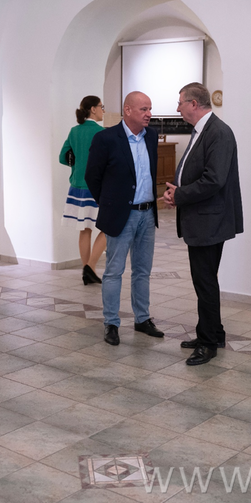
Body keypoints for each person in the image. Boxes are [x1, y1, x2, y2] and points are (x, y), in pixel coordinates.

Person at [163, 82, 243, 365]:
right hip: (203, 218)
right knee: (205, 280)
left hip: (210, 220)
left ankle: (208, 344)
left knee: (205, 282)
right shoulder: (203, 130)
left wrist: (180, 195)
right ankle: (213, 333)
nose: (177, 108)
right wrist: (178, 193)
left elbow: (214, 179)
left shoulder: (218, 132)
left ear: (194, 104)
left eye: (180, 102)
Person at [85, 91, 163, 346]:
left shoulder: (151, 136)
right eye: (143, 109)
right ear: (127, 110)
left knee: (142, 270)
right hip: (121, 215)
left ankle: (142, 319)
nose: (149, 114)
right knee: (114, 271)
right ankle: (111, 323)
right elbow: (92, 176)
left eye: (149, 109)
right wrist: (109, 204)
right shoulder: (106, 138)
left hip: (147, 214)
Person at [59, 95, 106, 285]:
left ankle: (86, 270)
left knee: (85, 229)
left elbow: (63, 157)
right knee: (108, 228)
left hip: (77, 187)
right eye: (101, 106)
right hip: (96, 188)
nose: (103, 110)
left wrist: (78, 164)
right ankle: (91, 267)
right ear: (93, 109)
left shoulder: (74, 131)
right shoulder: (101, 133)